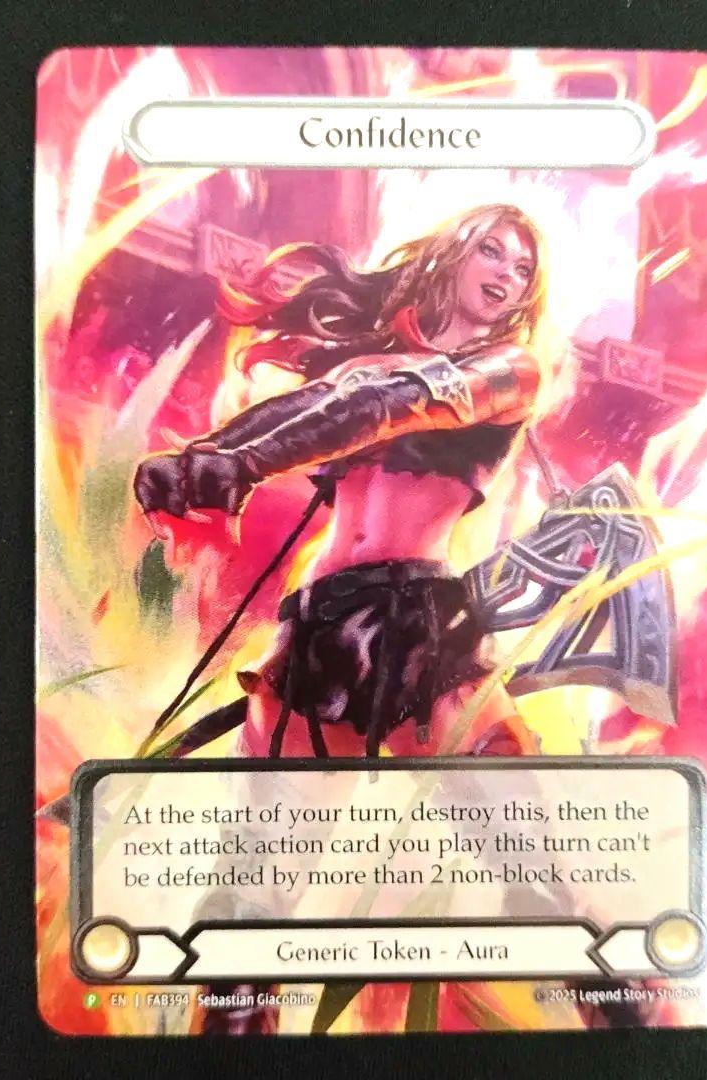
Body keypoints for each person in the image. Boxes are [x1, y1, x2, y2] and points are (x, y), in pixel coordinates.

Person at [135, 204, 549, 762]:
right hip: (317, 617)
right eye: (491, 251)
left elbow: (387, 404)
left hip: (418, 620)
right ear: (451, 255)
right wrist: (196, 461)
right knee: (266, 818)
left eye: (523, 269)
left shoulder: (511, 371)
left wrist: (245, 465)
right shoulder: (372, 366)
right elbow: (307, 406)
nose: (506, 273)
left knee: (506, 805)